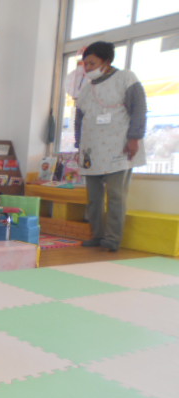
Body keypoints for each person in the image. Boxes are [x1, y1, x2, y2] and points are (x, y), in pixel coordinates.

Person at [75, 41, 147, 252]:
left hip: (119, 148)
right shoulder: (86, 89)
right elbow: (79, 119)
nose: (88, 68)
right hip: (91, 151)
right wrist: (79, 145)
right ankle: (97, 234)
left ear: (106, 61)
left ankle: (112, 239)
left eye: (92, 63)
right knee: (94, 198)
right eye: (85, 64)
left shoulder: (126, 78)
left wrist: (134, 138)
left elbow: (139, 109)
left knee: (116, 196)